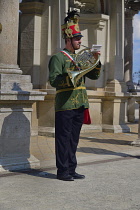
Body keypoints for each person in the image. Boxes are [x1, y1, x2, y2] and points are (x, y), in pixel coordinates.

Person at [49, 10, 101, 181]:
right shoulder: (58, 58)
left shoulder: (80, 57)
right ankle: (62, 171)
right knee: (63, 140)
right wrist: (71, 76)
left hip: (79, 104)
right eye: (78, 39)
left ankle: (71, 169)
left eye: (80, 39)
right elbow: (53, 80)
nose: (80, 42)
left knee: (73, 140)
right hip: (65, 105)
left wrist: (95, 61)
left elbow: (94, 76)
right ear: (68, 39)